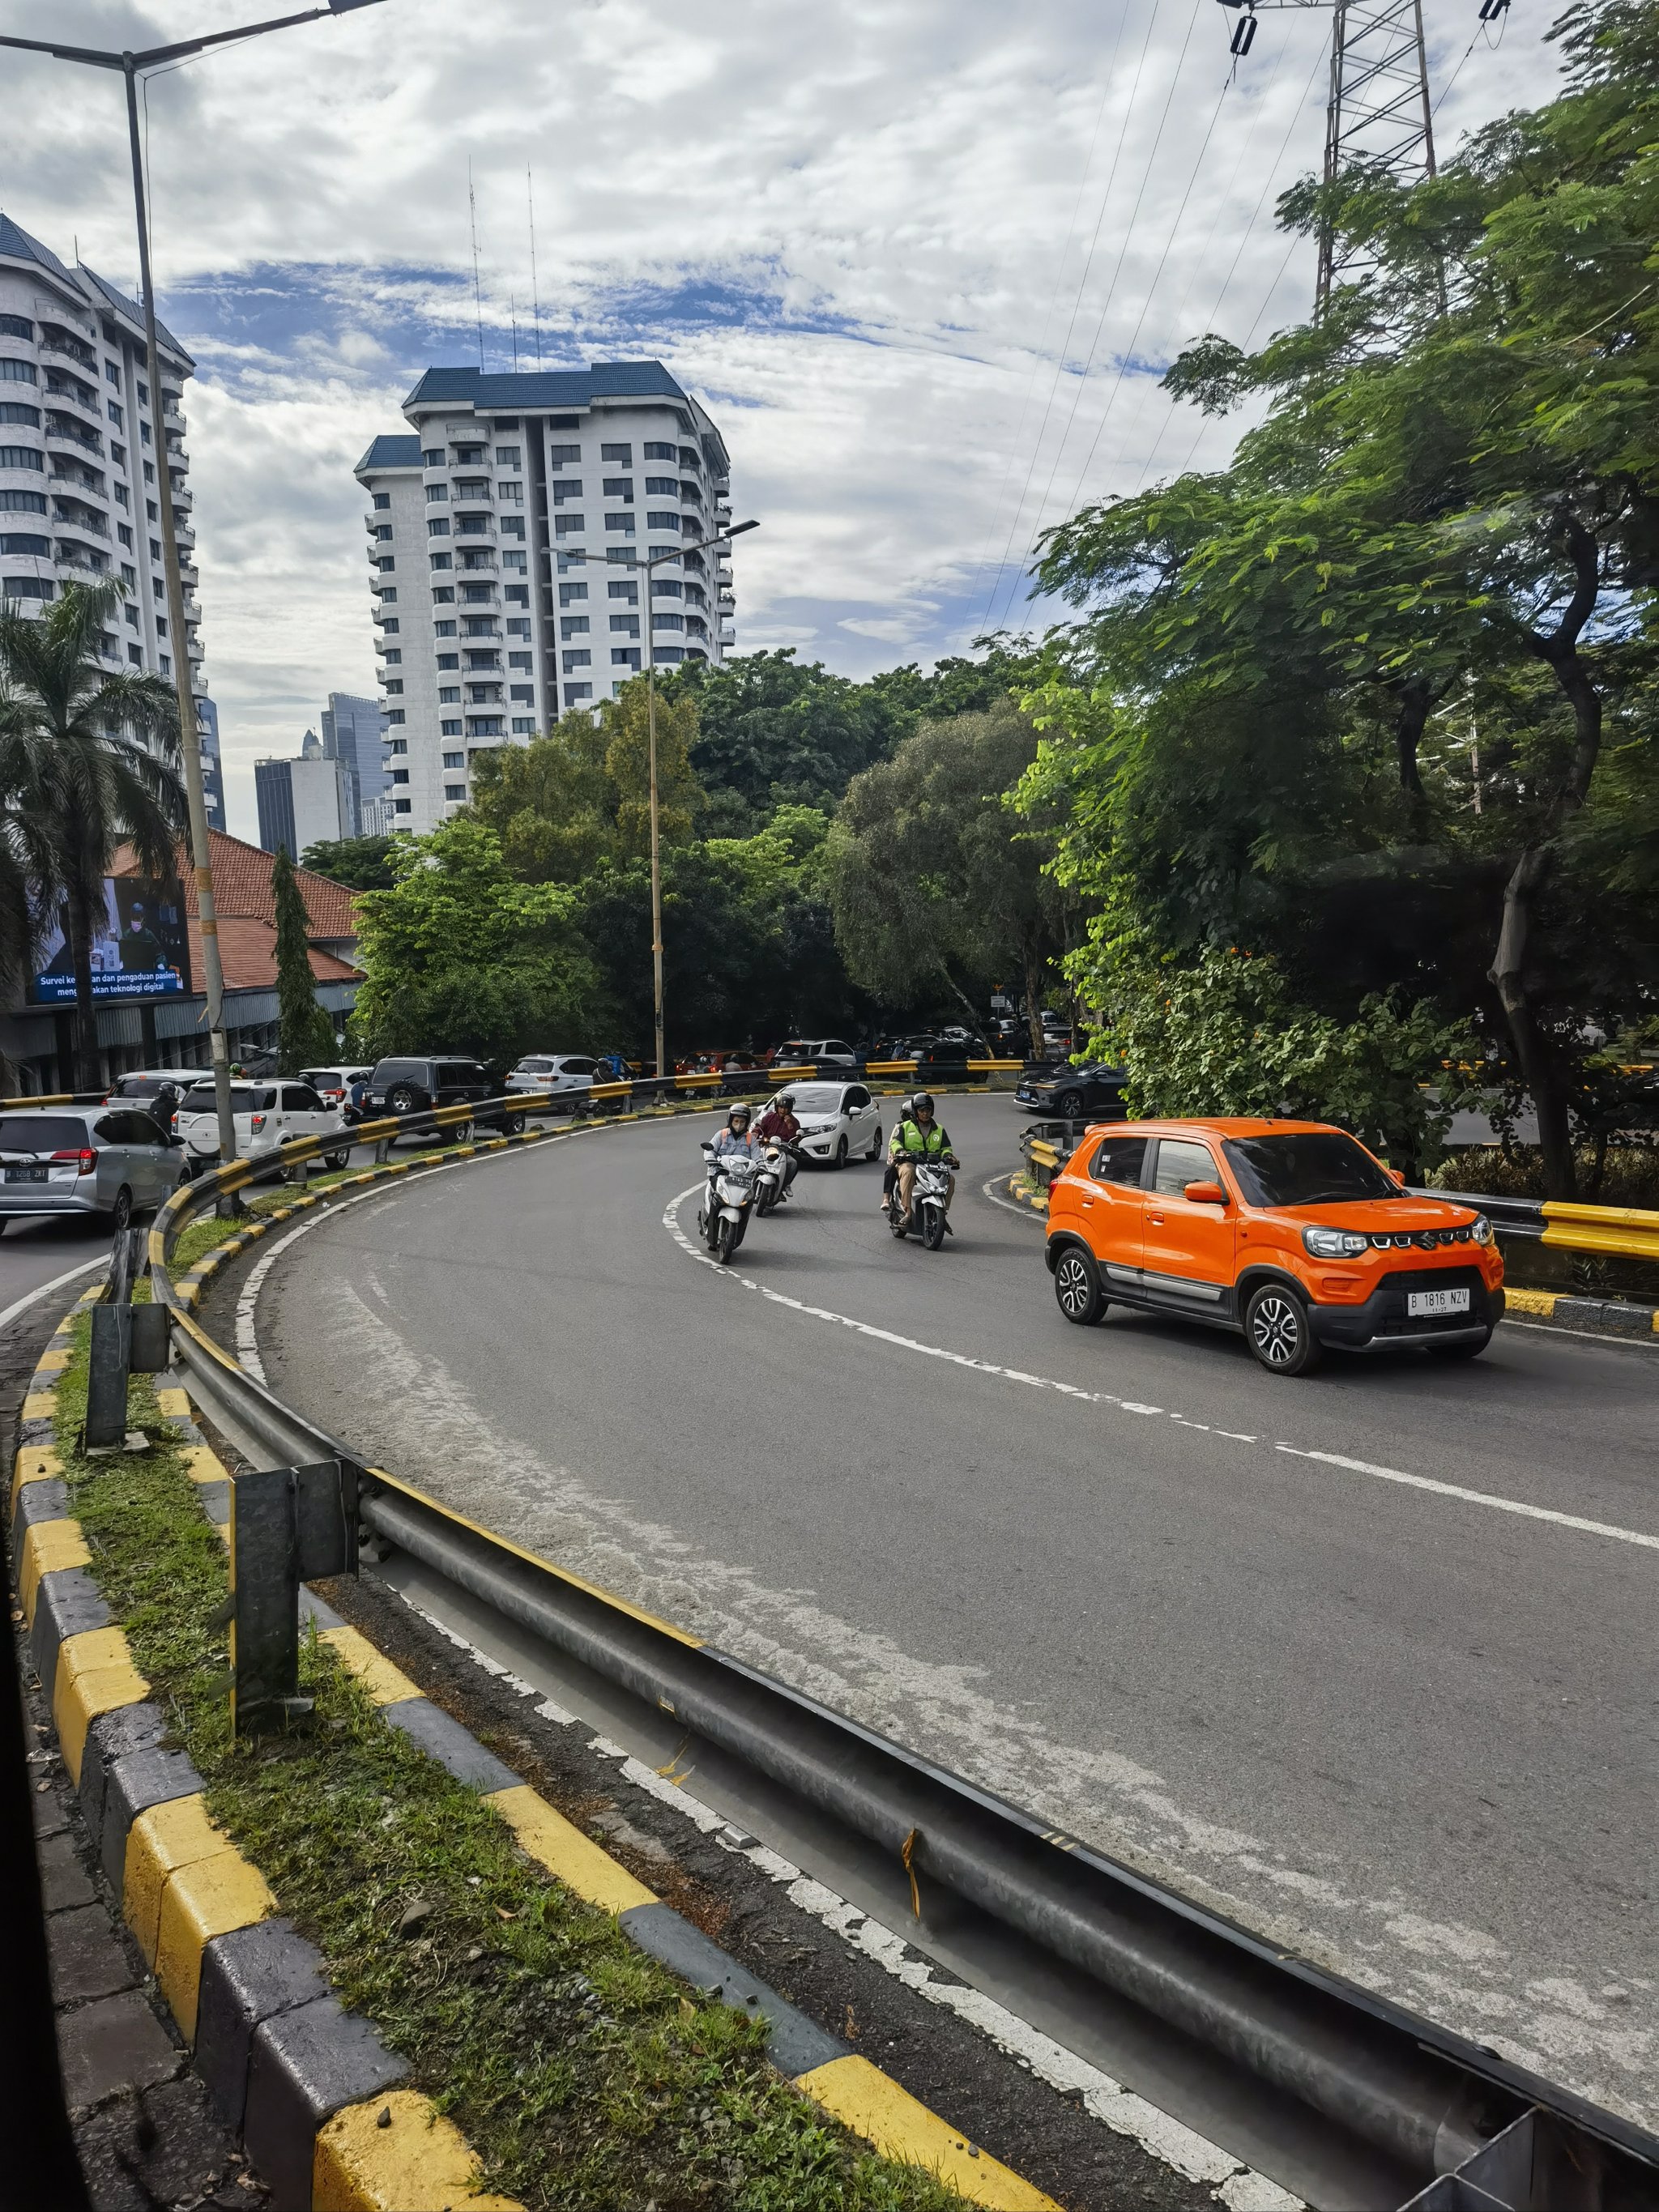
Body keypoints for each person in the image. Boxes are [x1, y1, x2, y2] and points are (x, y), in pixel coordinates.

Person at [888, 1093, 959, 1221]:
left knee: (951, 1179)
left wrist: (949, 1156)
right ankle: (908, 1212)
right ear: (916, 1111)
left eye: (928, 1110)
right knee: (908, 1172)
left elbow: (945, 1148)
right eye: (922, 1110)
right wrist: (901, 1151)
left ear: (932, 1111)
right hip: (909, 1162)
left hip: (931, 1166)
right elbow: (895, 1142)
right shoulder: (905, 1126)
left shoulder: (939, 1129)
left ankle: (943, 1212)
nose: (925, 1113)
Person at [753, 1091, 802, 1196]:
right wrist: (755, 1133)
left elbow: (796, 1138)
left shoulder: (794, 1122)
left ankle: (786, 1185)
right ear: (776, 1107)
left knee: (792, 1163)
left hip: (783, 1150)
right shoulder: (769, 1117)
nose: (783, 1110)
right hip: (767, 1146)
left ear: (790, 1109)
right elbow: (760, 1128)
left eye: (786, 1108)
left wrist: (789, 1124)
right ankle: (749, 1180)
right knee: (754, 1158)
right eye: (780, 1107)